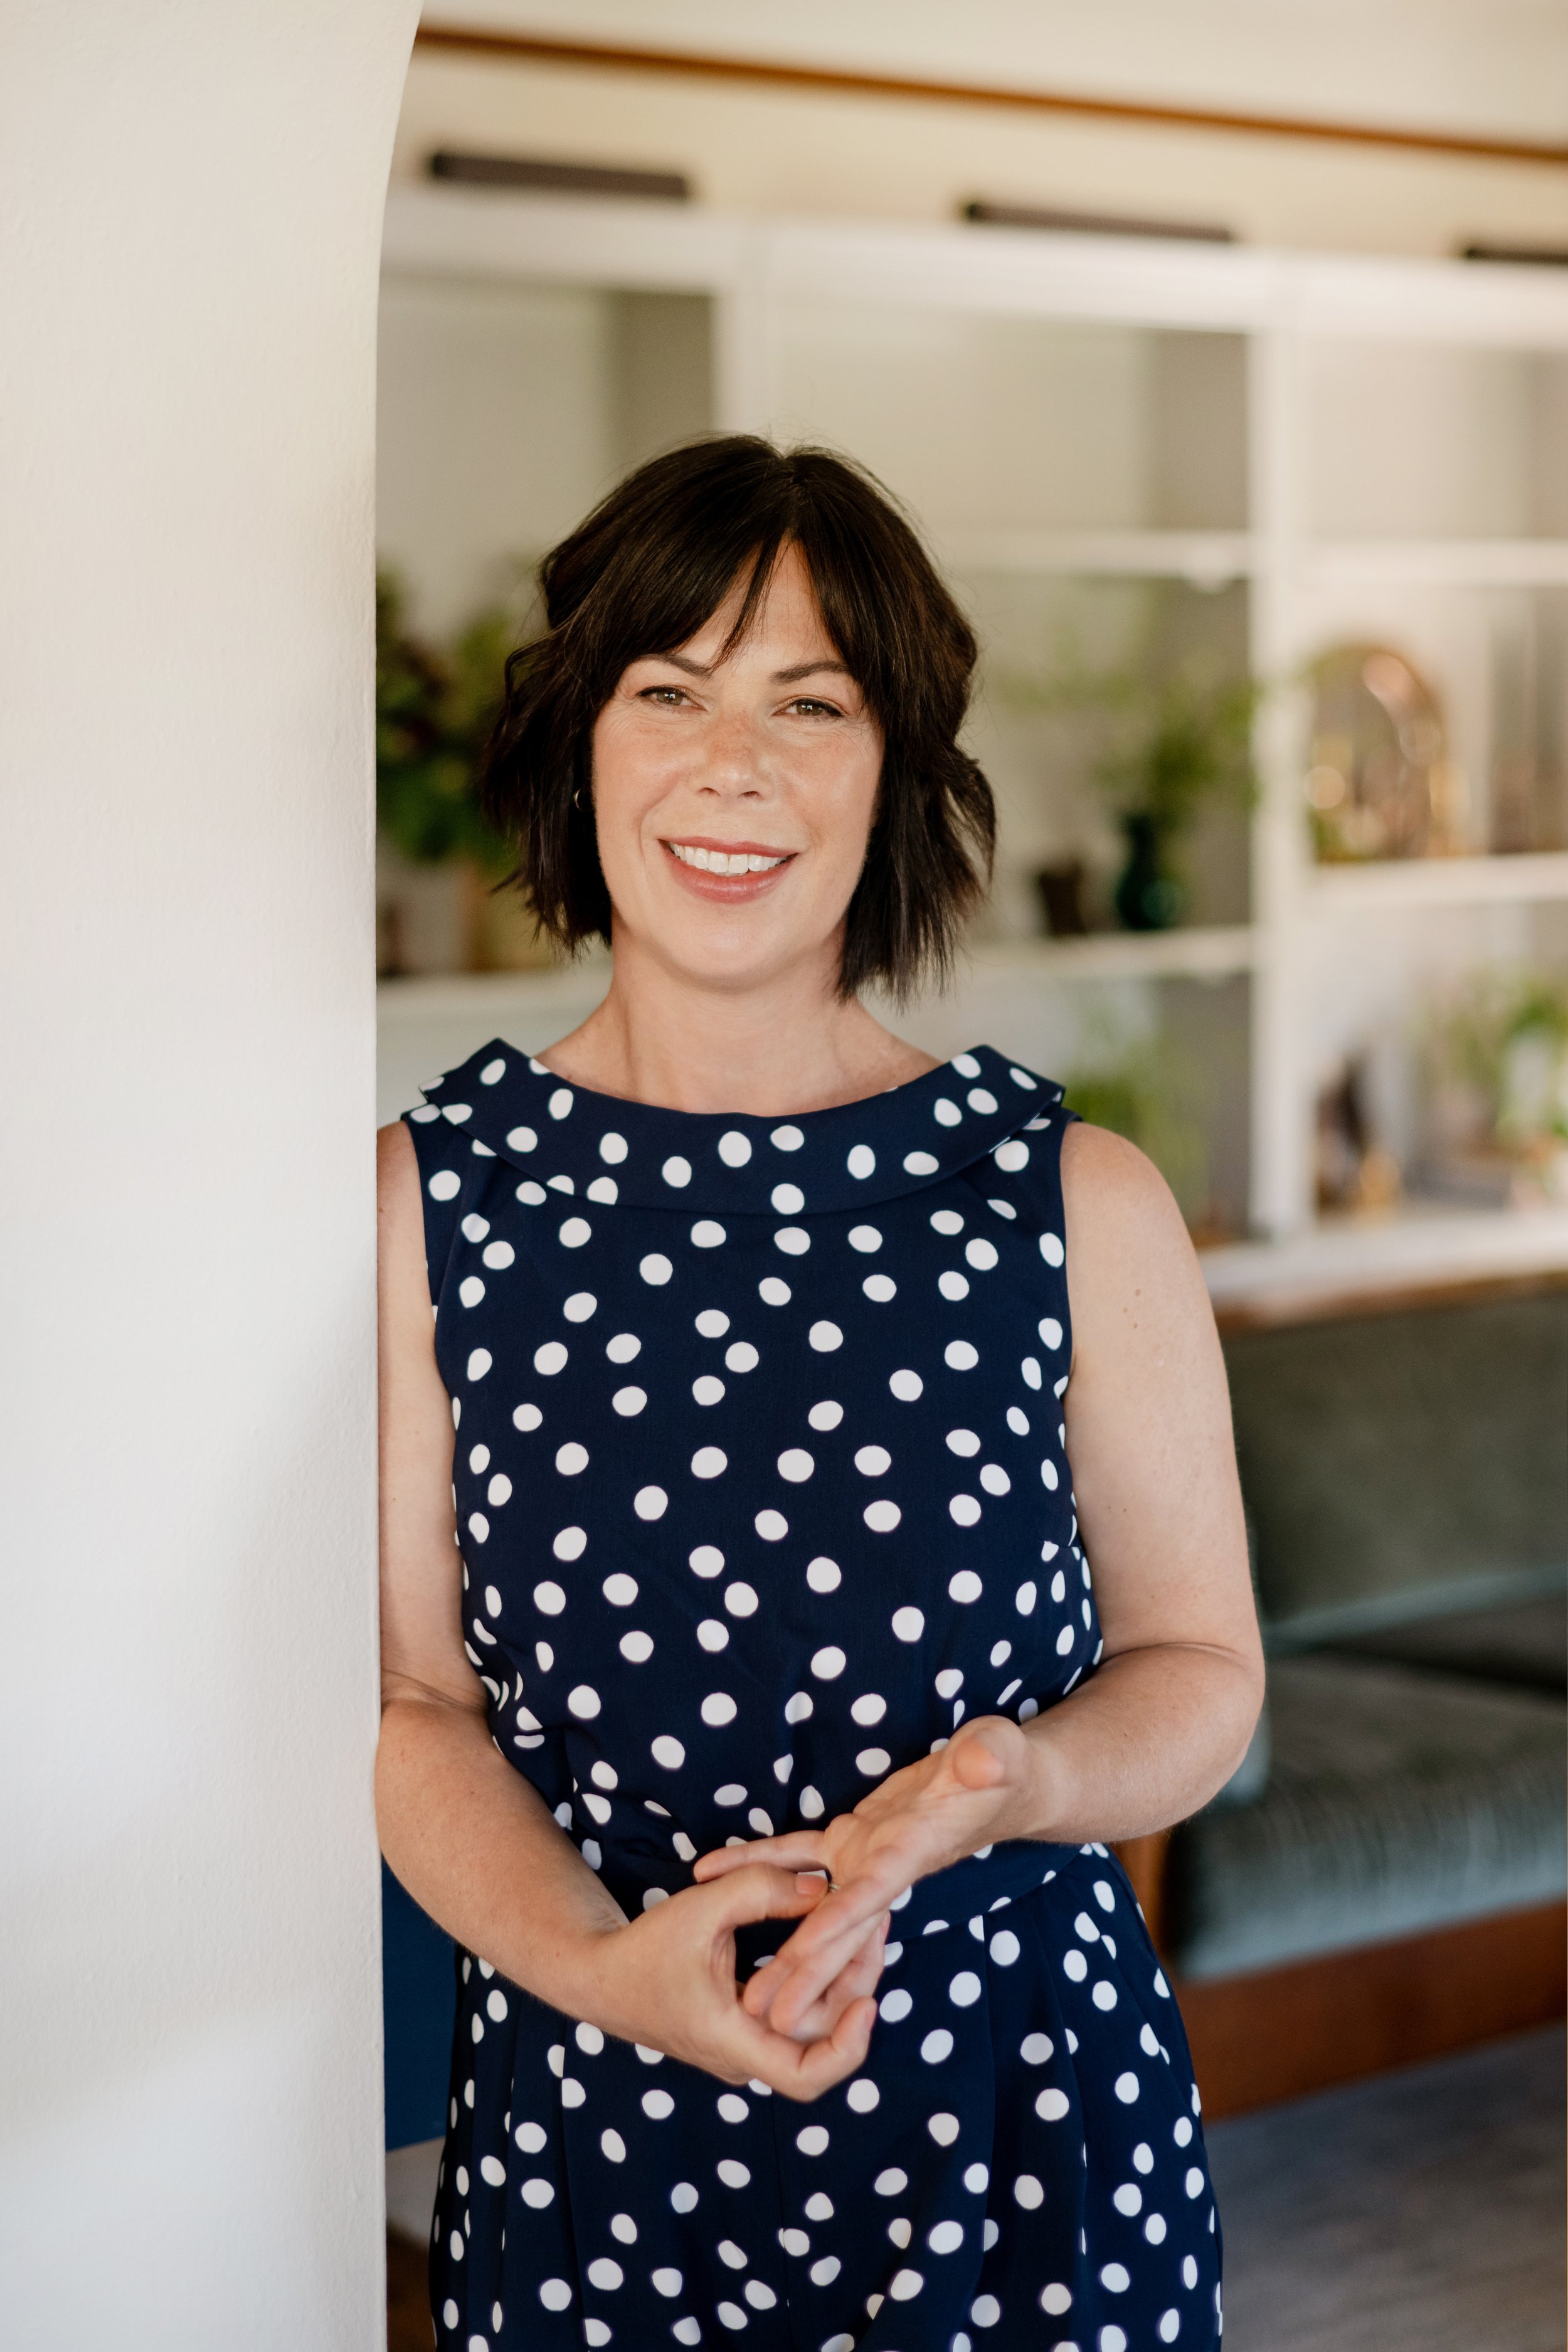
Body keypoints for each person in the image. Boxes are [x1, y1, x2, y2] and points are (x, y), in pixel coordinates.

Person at [376, 436, 1262, 2352]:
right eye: (668, 691)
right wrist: (609, 1975)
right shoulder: (424, 1201)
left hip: (1023, 2127)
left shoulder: (1071, 1192)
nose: (733, 764)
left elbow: (1201, 1679)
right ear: (579, 748)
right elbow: (416, 1707)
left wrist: (1032, 1782)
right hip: (600, 2127)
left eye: (810, 704)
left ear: (896, 776)